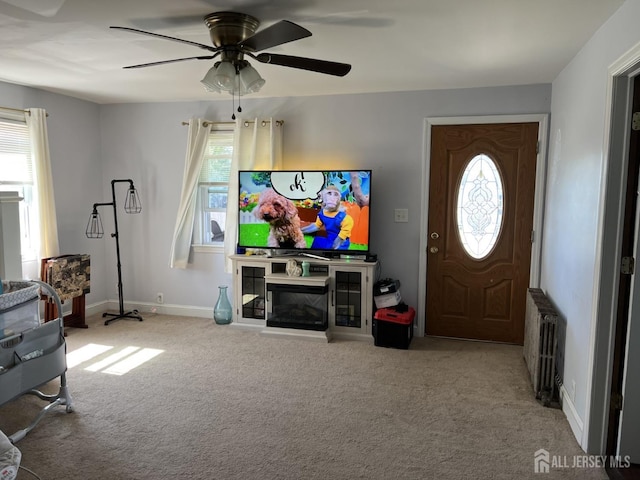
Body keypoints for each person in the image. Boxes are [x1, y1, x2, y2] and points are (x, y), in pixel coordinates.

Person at [301, 185, 353, 250]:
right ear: (323, 197)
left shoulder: (345, 218)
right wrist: (300, 231)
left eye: (335, 195)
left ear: (339, 199)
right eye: (329, 193)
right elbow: (316, 226)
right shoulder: (323, 213)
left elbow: (341, 238)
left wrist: (331, 250)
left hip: (340, 243)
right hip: (329, 238)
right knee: (317, 240)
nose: (332, 198)